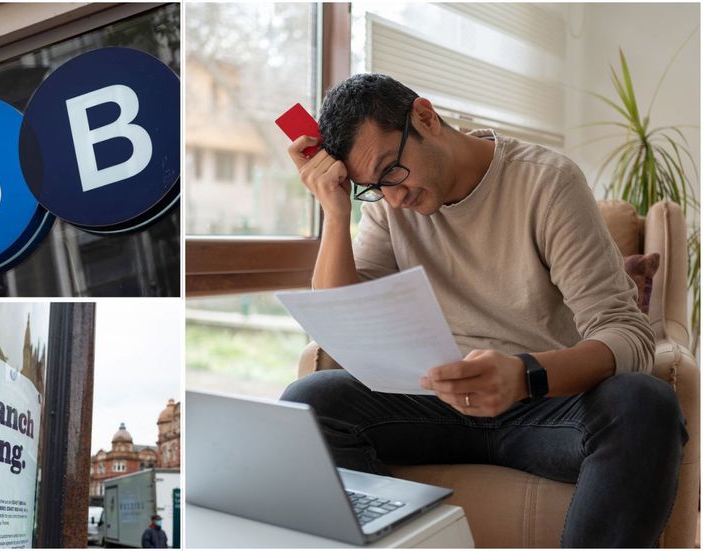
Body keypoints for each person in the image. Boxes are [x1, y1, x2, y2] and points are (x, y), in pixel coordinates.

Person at [281, 73, 687, 547]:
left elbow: (627, 333)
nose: (394, 197)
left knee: (645, 405)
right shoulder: (388, 205)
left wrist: (523, 375)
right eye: (372, 187)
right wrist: (335, 210)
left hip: (546, 407)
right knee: (308, 404)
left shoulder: (546, 182)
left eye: (392, 170)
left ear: (426, 117)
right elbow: (343, 319)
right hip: (435, 404)